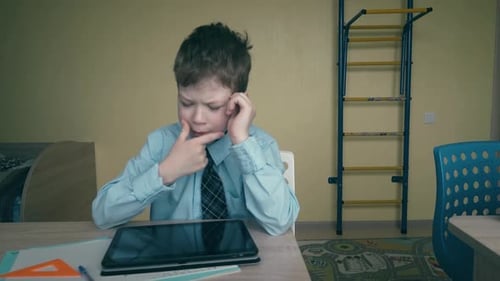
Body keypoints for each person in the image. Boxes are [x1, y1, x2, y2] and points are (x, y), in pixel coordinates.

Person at [92, 22, 300, 236]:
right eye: (186, 103)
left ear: (238, 101)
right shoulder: (160, 144)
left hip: (244, 262)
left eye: (213, 107)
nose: (198, 119)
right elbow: (103, 214)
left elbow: (280, 222)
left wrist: (242, 142)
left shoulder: (260, 144)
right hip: (175, 262)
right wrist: (164, 173)